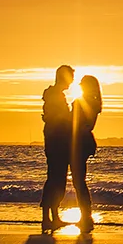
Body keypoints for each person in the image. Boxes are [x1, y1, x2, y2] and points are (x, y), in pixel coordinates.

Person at [40, 64, 75, 233]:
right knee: (56, 179)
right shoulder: (55, 96)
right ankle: (48, 218)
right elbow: (58, 119)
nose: (72, 82)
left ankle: (52, 217)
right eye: (70, 78)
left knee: (56, 178)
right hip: (57, 141)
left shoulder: (54, 95)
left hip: (55, 140)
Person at [70, 74, 102, 234]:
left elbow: (78, 124)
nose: (80, 86)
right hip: (84, 142)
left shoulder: (84, 102)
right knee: (79, 181)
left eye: (82, 84)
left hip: (79, 143)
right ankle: (85, 216)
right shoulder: (94, 102)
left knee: (79, 182)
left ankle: (86, 217)